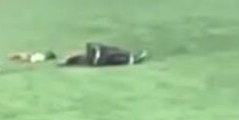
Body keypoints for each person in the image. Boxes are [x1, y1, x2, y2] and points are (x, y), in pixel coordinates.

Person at [9, 43, 148, 67]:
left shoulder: (40, 58)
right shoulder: (41, 59)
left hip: (85, 59)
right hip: (87, 60)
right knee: (106, 54)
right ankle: (130, 58)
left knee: (107, 51)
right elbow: (66, 60)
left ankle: (130, 58)